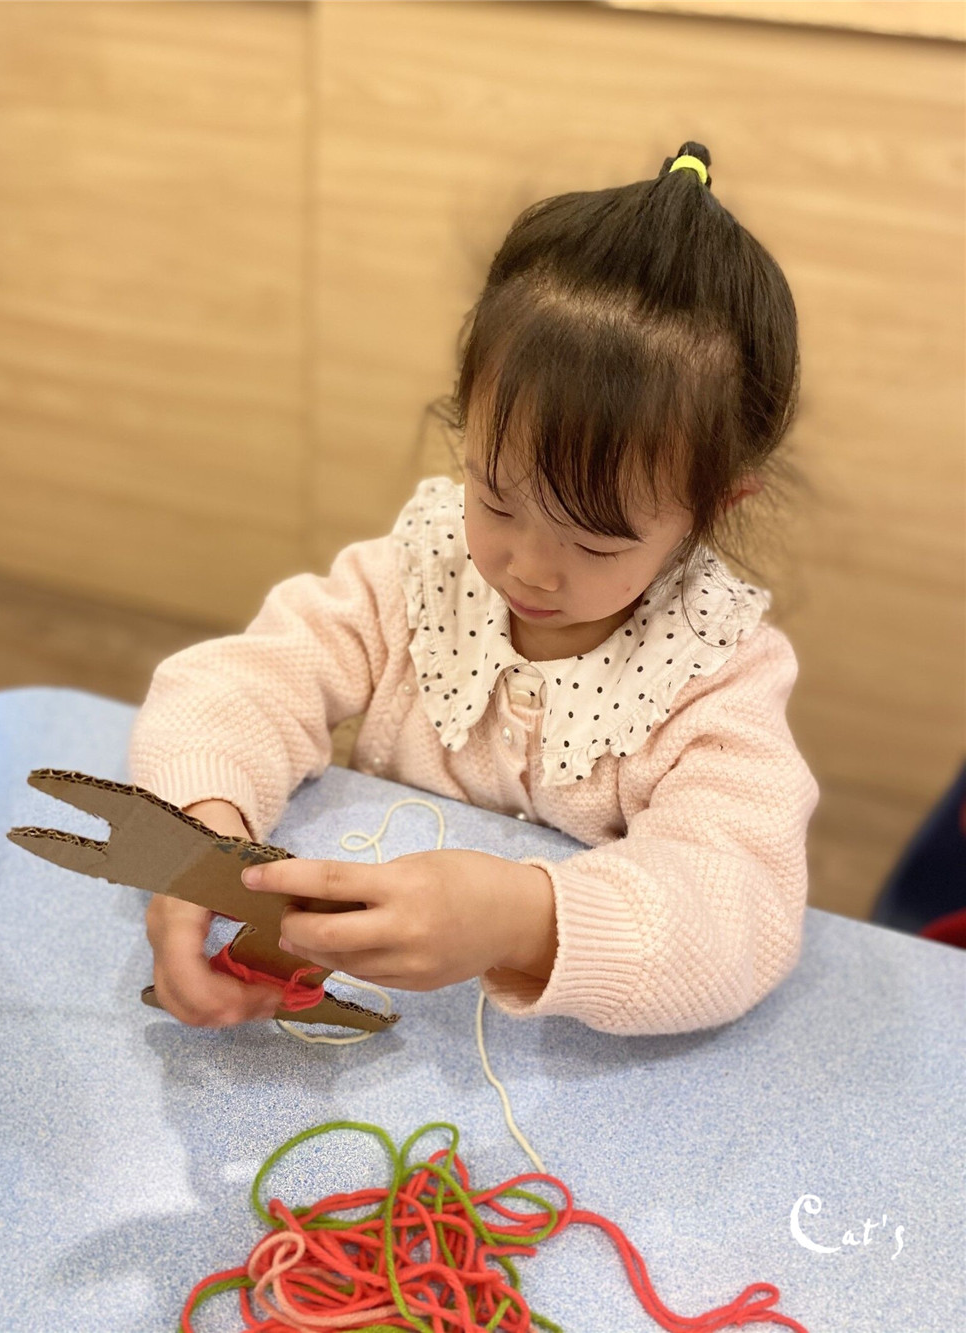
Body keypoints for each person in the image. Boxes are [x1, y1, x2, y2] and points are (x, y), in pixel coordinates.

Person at [129, 141, 820, 1035]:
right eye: (496, 498)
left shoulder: (715, 675)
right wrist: (202, 835)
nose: (529, 566)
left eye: (594, 540)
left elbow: (738, 909)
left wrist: (522, 919)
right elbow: (241, 685)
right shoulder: (422, 572)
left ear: (710, 507)